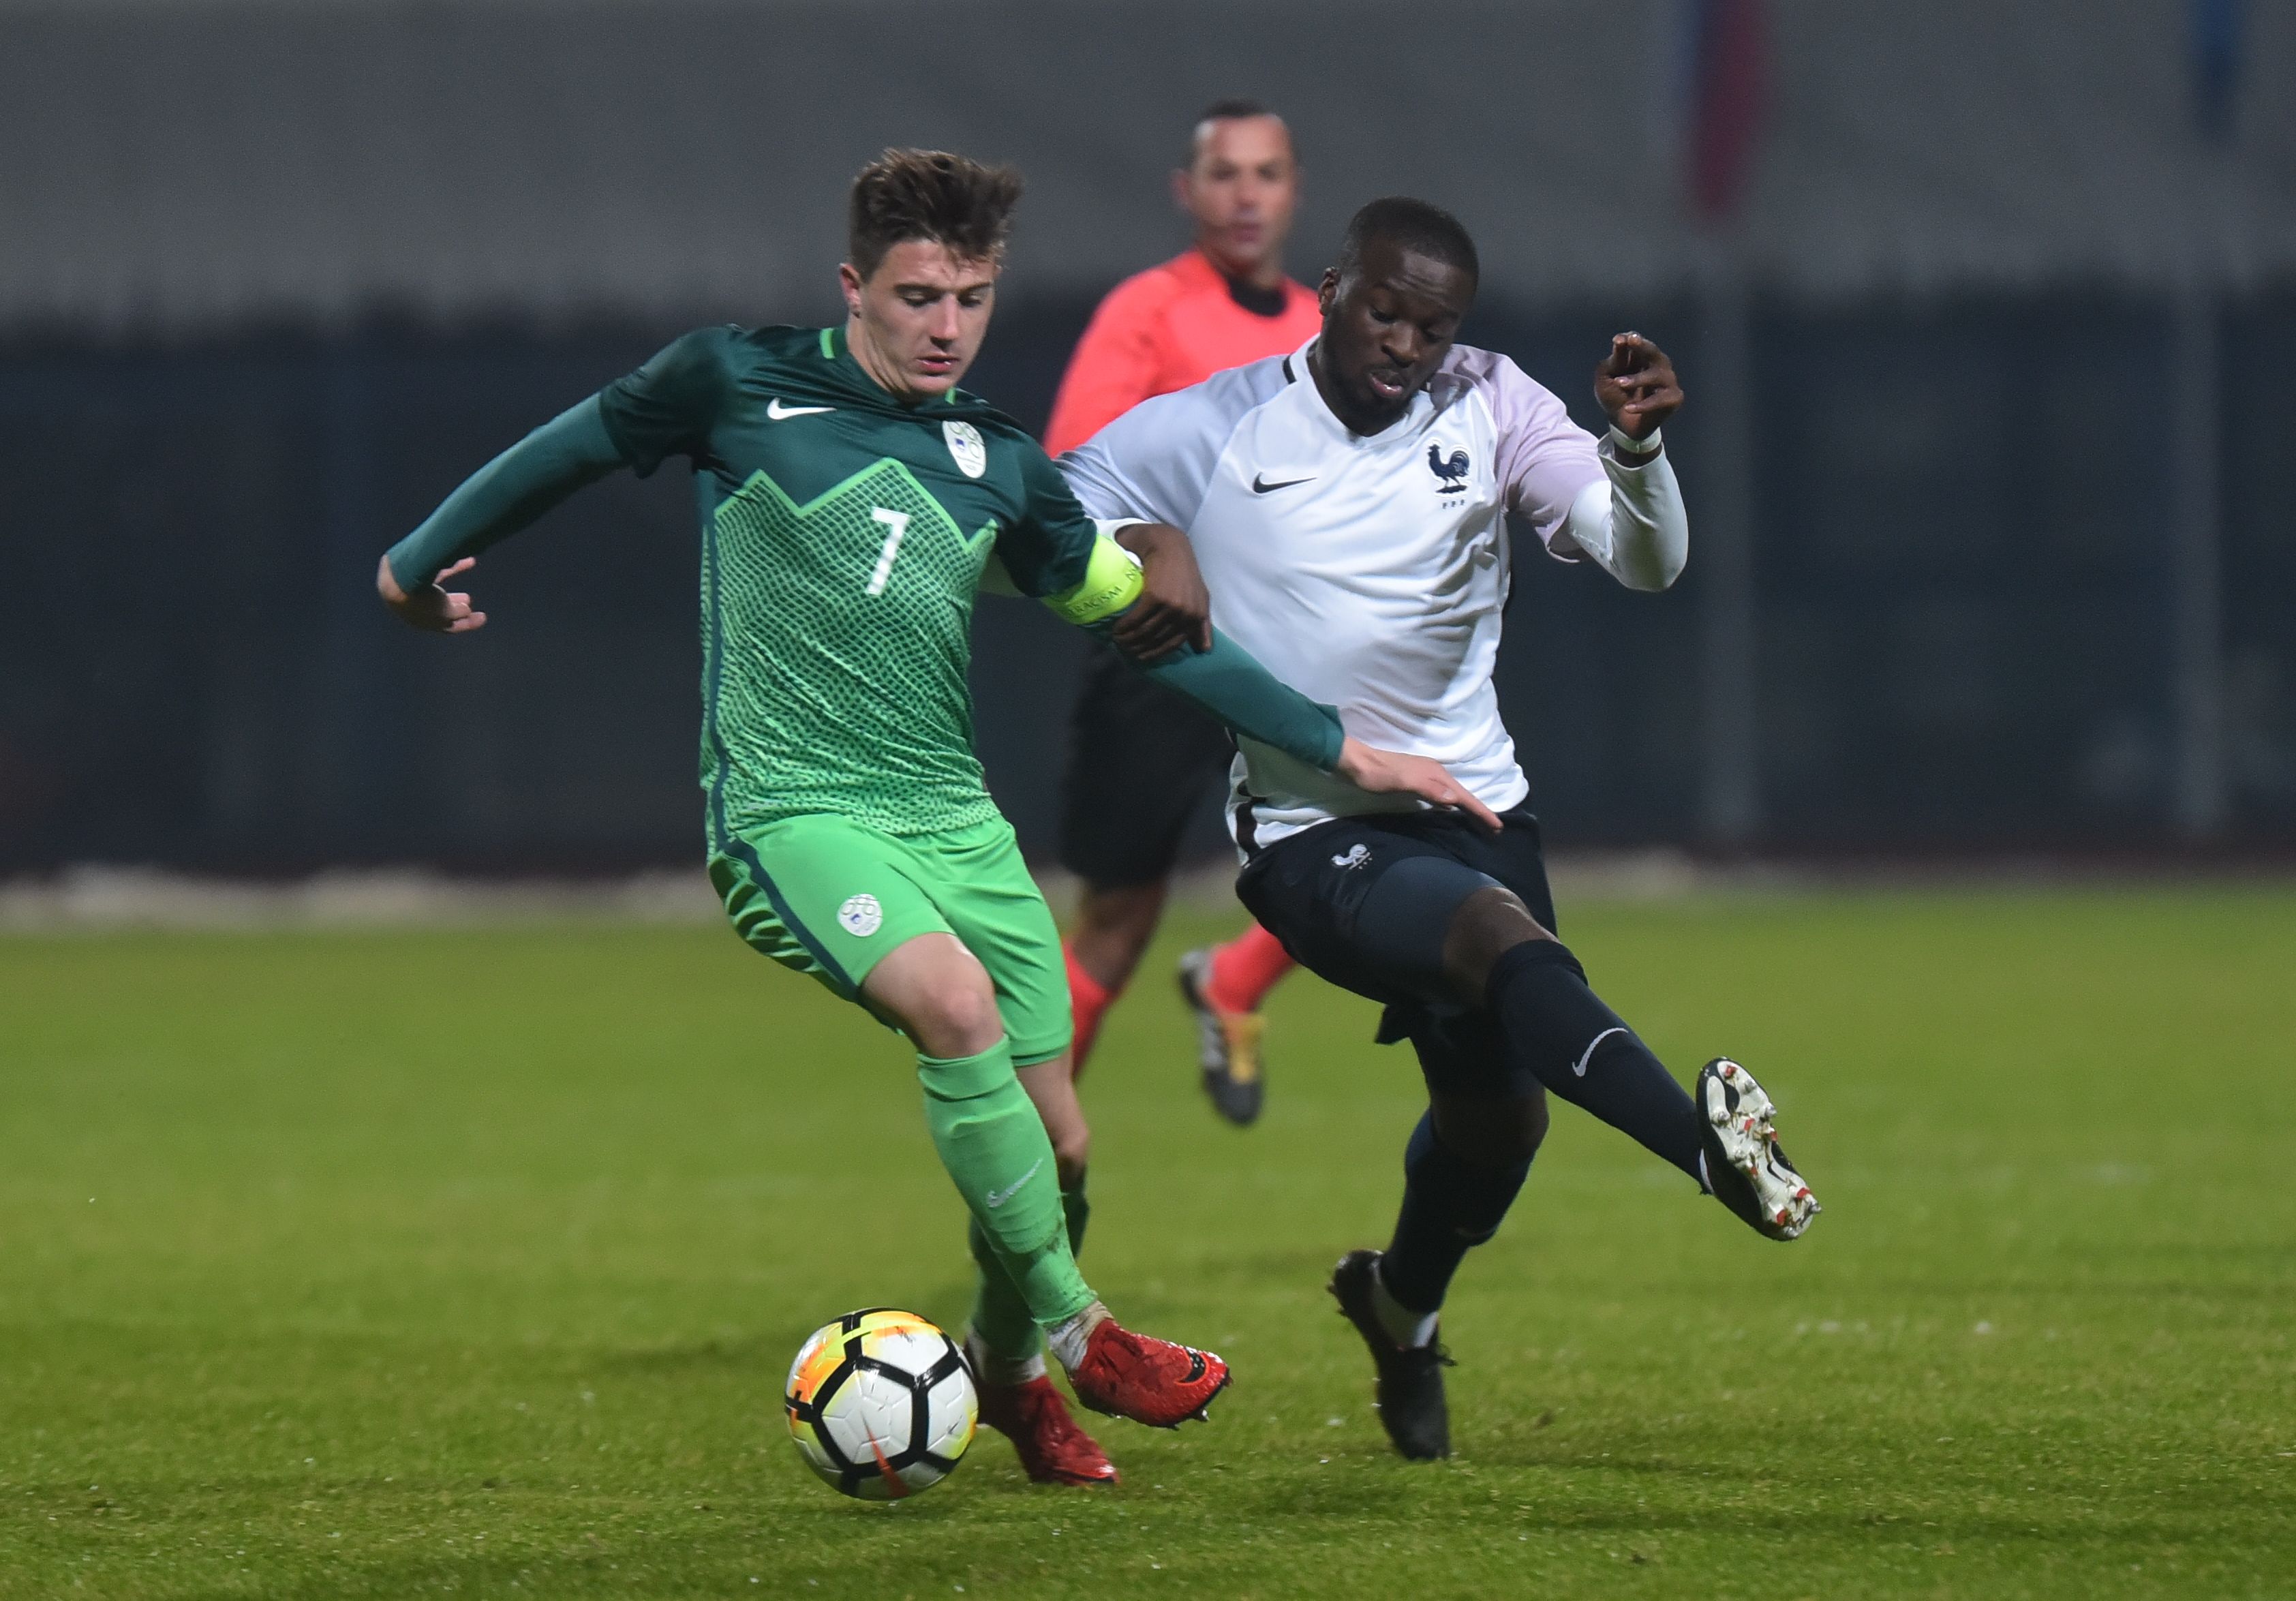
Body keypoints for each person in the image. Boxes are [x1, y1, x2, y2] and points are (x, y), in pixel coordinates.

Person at [373, 152, 1487, 1488]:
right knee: (954, 1009)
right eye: (916, 297)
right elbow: (561, 455)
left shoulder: (996, 459)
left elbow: (1156, 633)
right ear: (854, 286)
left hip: (957, 827)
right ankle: (1085, 1335)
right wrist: (410, 564)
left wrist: (1337, 743)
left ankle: (1008, 1378)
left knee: (1059, 1149)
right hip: (795, 813)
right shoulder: (732, 383)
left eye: (971, 298)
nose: (946, 327)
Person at [1059, 196, 1821, 1462]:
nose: (1407, 345)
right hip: (1312, 827)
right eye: (1385, 312)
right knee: (1493, 940)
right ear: (1330, 290)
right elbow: (1047, 504)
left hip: (1475, 808)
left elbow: (1644, 561)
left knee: (1496, 1128)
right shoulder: (1217, 422)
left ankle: (1399, 1309)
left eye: (1434, 325)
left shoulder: (1494, 401)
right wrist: (1144, 535)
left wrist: (1635, 454)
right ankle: (1706, 1152)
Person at [1045, 101, 1321, 1124]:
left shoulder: (1323, 326)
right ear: (1187, 190)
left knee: (1397, 835)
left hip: (1290, 649)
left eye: (1266, 173)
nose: (1245, 195)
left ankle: (1232, 982)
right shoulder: (1148, 312)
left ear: (1294, 190)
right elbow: (1072, 471)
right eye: (1224, 173)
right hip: (1161, 647)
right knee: (1118, 919)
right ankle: (1023, 1154)